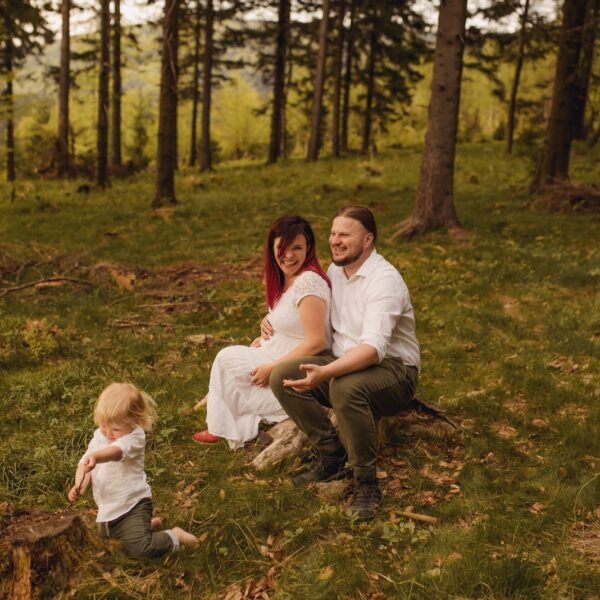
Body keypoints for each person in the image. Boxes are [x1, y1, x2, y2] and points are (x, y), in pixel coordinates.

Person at [269, 205, 420, 521]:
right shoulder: (336, 272)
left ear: (368, 240)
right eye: (333, 233)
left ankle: (366, 482)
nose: (335, 241)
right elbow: (311, 315)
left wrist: (325, 371)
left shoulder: (384, 280)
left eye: (345, 235)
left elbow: (373, 350)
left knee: (344, 387)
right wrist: (269, 323)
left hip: (394, 371)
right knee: (282, 375)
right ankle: (332, 457)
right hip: (342, 358)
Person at [192, 215, 332, 449]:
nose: (289, 255)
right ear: (271, 248)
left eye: (297, 248)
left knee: (226, 359)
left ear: (308, 248)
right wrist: (269, 322)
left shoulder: (309, 282)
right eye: (282, 248)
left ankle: (224, 424)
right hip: (272, 354)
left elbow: (317, 341)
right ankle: (222, 421)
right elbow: (291, 316)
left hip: (292, 371)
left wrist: (273, 368)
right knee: (227, 361)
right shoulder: (286, 279)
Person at [68, 383, 198, 558]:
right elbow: (84, 464)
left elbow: (116, 451)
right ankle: (144, 527)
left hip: (133, 505)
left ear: (134, 422)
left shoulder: (134, 438)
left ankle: (174, 536)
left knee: (140, 549)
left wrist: (96, 457)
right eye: (103, 425)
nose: (108, 433)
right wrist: (80, 483)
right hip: (108, 508)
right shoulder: (99, 436)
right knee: (109, 541)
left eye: (115, 429)